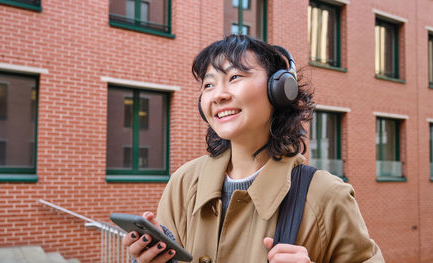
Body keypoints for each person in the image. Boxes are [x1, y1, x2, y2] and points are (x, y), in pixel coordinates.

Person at [122, 34, 384, 263]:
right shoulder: (185, 182)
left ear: (280, 89)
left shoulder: (326, 195)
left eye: (235, 77)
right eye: (209, 85)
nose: (218, 95)